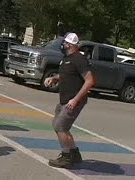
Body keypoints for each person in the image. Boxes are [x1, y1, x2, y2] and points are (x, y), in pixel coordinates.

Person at [44, 32, 95, 168]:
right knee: (60, 126)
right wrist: (55, 78)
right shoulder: (67, 58)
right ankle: (74, 153)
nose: (63, 45)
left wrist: (75, 100)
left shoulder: (79, 59)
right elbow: (67, 74)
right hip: (64, 99)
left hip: (73, 100)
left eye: (65, 43)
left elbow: (89, 81)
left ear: (70, 45)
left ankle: (66, 157)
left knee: (60, 126)